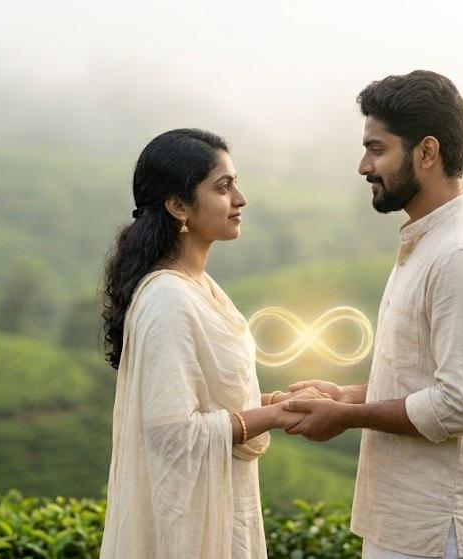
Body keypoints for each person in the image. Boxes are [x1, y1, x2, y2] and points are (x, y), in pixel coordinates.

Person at [284, 71, 463, 559]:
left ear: (426, 153)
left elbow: (462, 405)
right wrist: (344, 394)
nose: (363, 166)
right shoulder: (428, 243)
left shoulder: (461, 255)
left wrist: (348, 417)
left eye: (377, 148)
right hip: (406, 519)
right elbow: (425, 379)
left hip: (441, 529)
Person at [98, 128, 328, 558]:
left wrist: (278, 401)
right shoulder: (168, 298)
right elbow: (173, 433)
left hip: (229, 507)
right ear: (178, 205)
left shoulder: (199, 287)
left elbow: (214, 401)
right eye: (223, 187)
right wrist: (274, 415)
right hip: (188, 532)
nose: (240, 199)